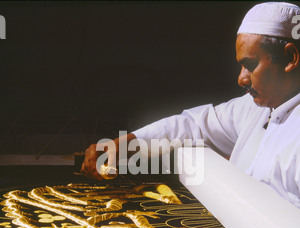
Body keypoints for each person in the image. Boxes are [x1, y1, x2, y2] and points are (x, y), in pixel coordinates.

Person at [81, 2, 300, 209]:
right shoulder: (256, 108)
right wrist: (122, 146)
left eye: (250, 65)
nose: (241, 79)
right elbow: (194, 126)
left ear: (291, 58)